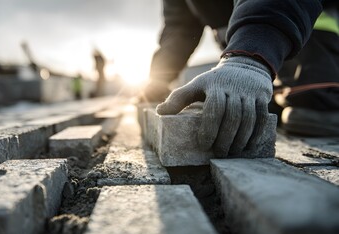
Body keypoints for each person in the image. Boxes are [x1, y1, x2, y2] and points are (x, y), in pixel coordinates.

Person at [143, 0, 339, 158]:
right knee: (251, 110)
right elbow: (179, 28)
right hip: (262, 47)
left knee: (313, 105)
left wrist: (250, 57)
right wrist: (157, 81)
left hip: (307, 29)